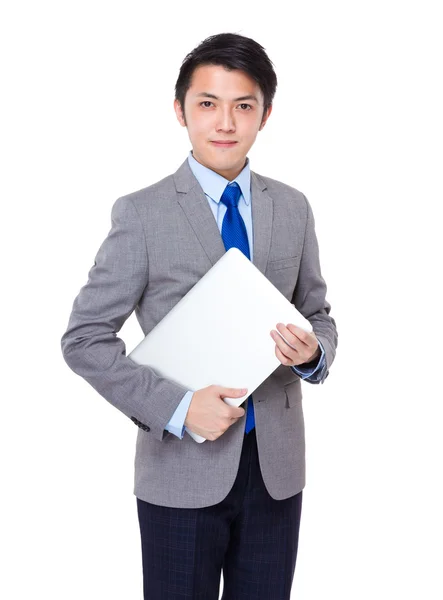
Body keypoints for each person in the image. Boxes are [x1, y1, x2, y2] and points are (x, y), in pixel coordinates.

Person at [61, 32, 338, 600]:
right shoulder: (141, 214)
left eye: (244, 105)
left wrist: (313, 354)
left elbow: (318, 312)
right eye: (207, 104)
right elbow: (84, 338)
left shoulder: (292, 206)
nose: (225, 122)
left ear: (265, 114)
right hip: (179, 472)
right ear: (180, 111)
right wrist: (179, 407)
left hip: (277, 472)